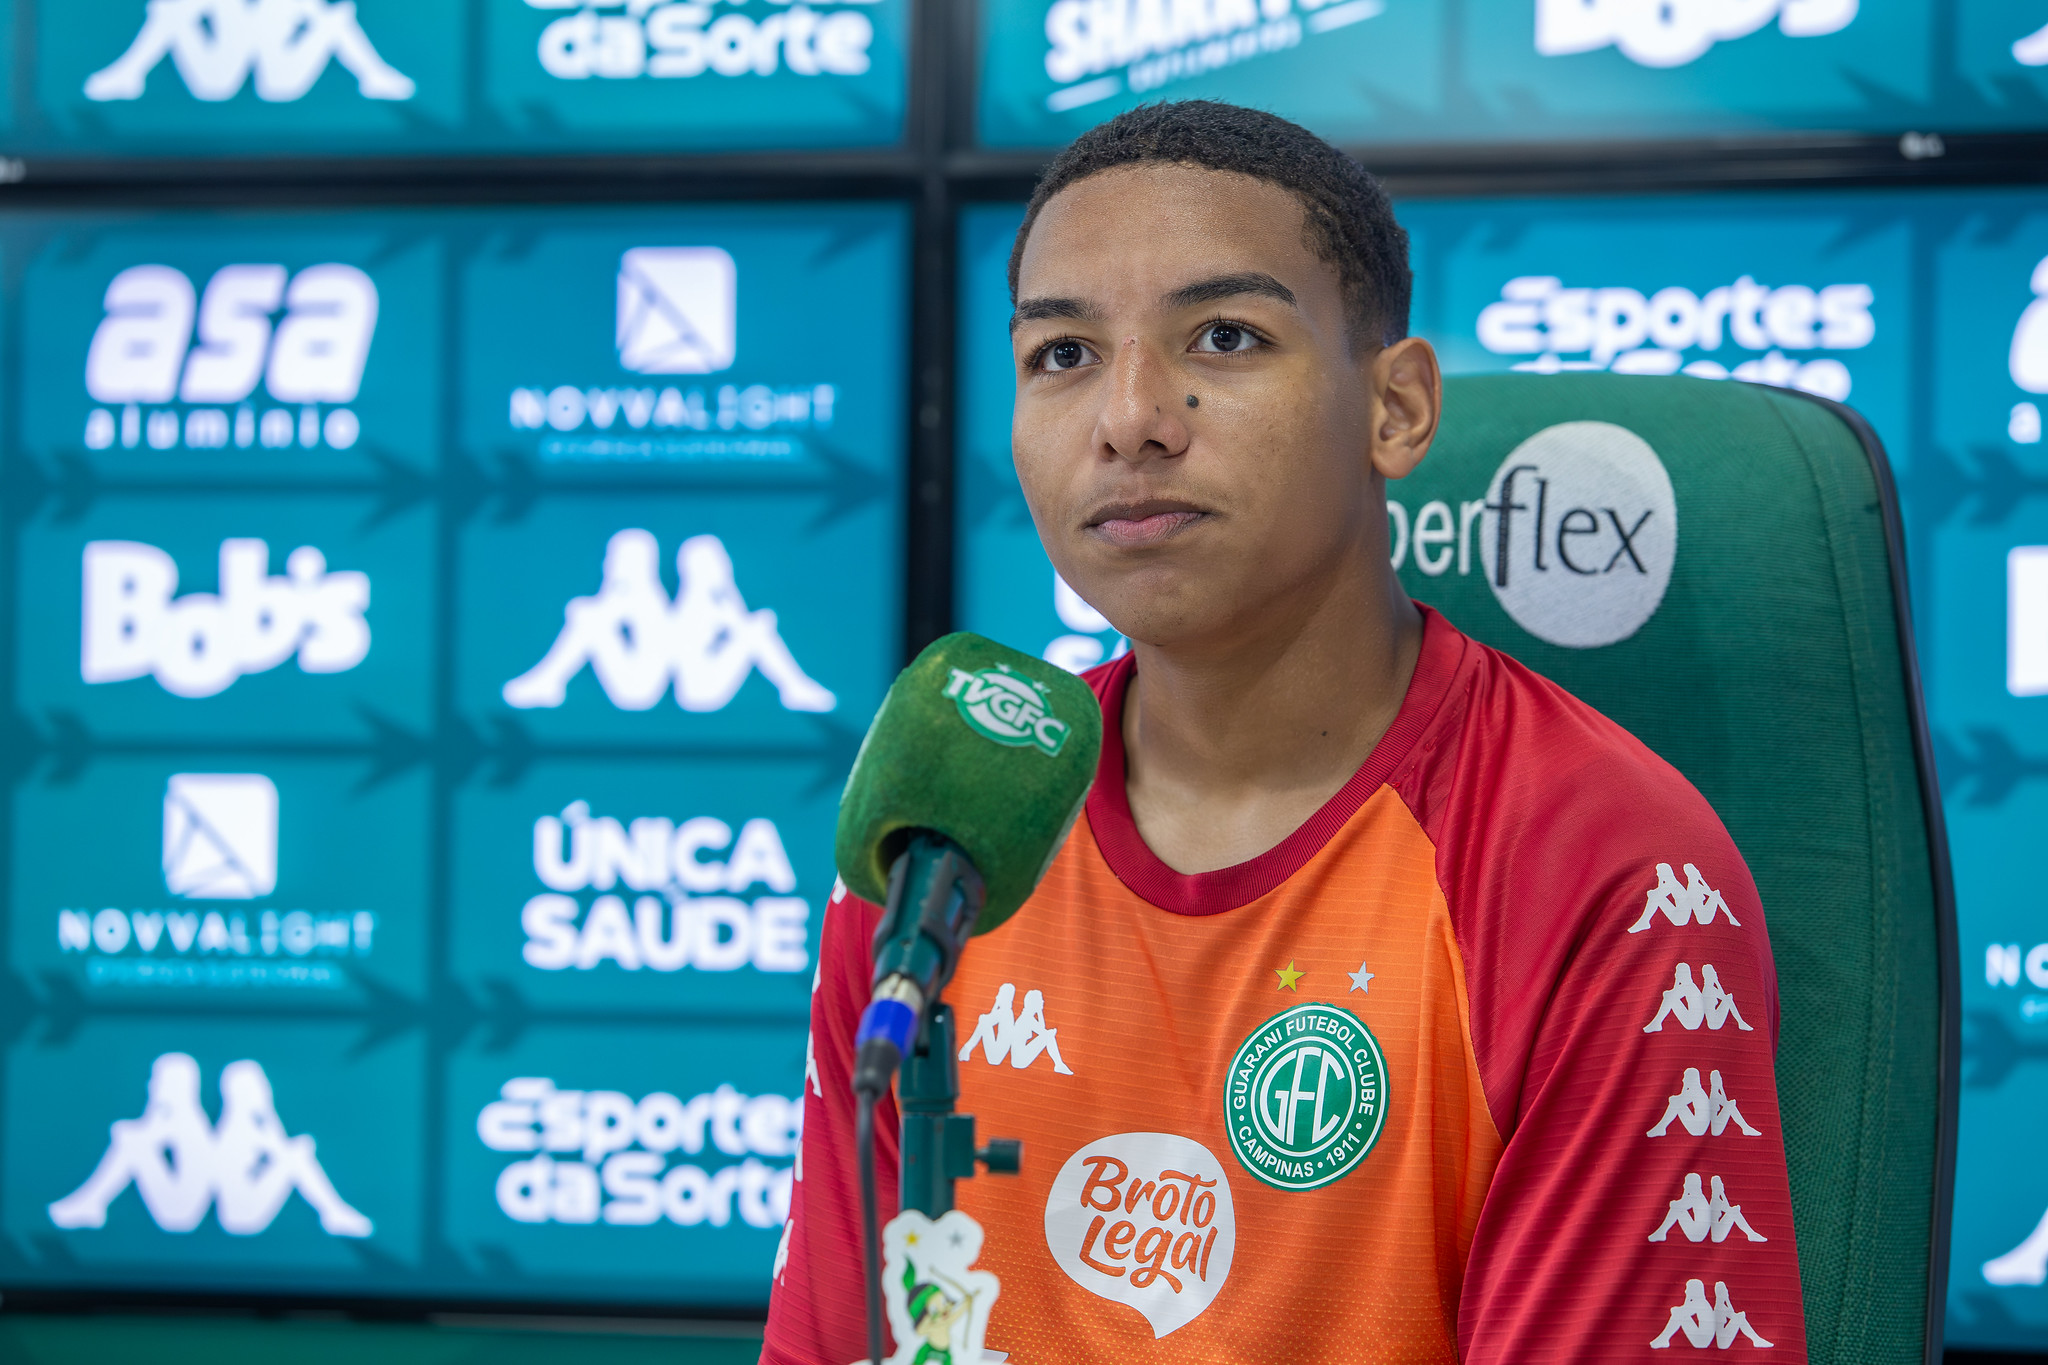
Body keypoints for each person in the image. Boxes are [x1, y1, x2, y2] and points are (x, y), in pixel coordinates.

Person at [765, 100, 1806, 1361]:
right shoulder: (942, 843)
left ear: (1395, 409)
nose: (1129, 417)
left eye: (1224, 336)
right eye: (1062, 354)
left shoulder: (1601, 859)